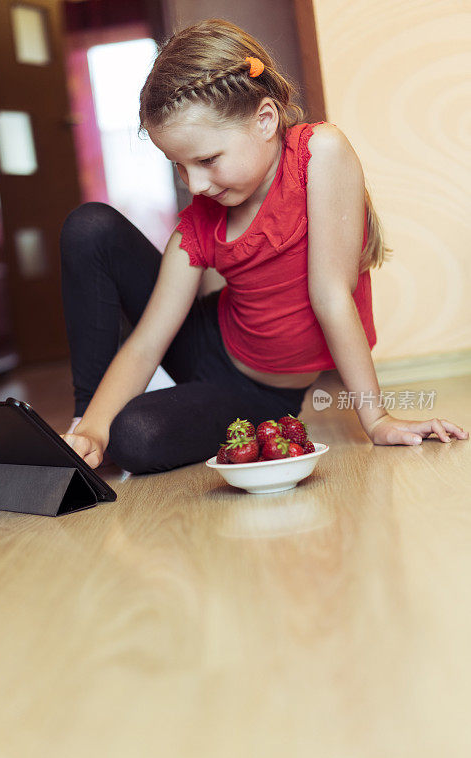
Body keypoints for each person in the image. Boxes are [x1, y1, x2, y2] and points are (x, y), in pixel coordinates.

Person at [59, 18, 468, 473]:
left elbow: (331, 295)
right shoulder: (199, 222)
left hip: (260, 391)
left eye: (207, 160)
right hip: (202, 337)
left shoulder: (321, 154)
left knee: (134, 437)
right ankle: (79, 432)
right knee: (90, 226)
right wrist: (95, 427)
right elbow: (146, 344)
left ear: (266, 120)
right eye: (178, 165)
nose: (194, 183)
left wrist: (377, 420)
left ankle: (117, 427)